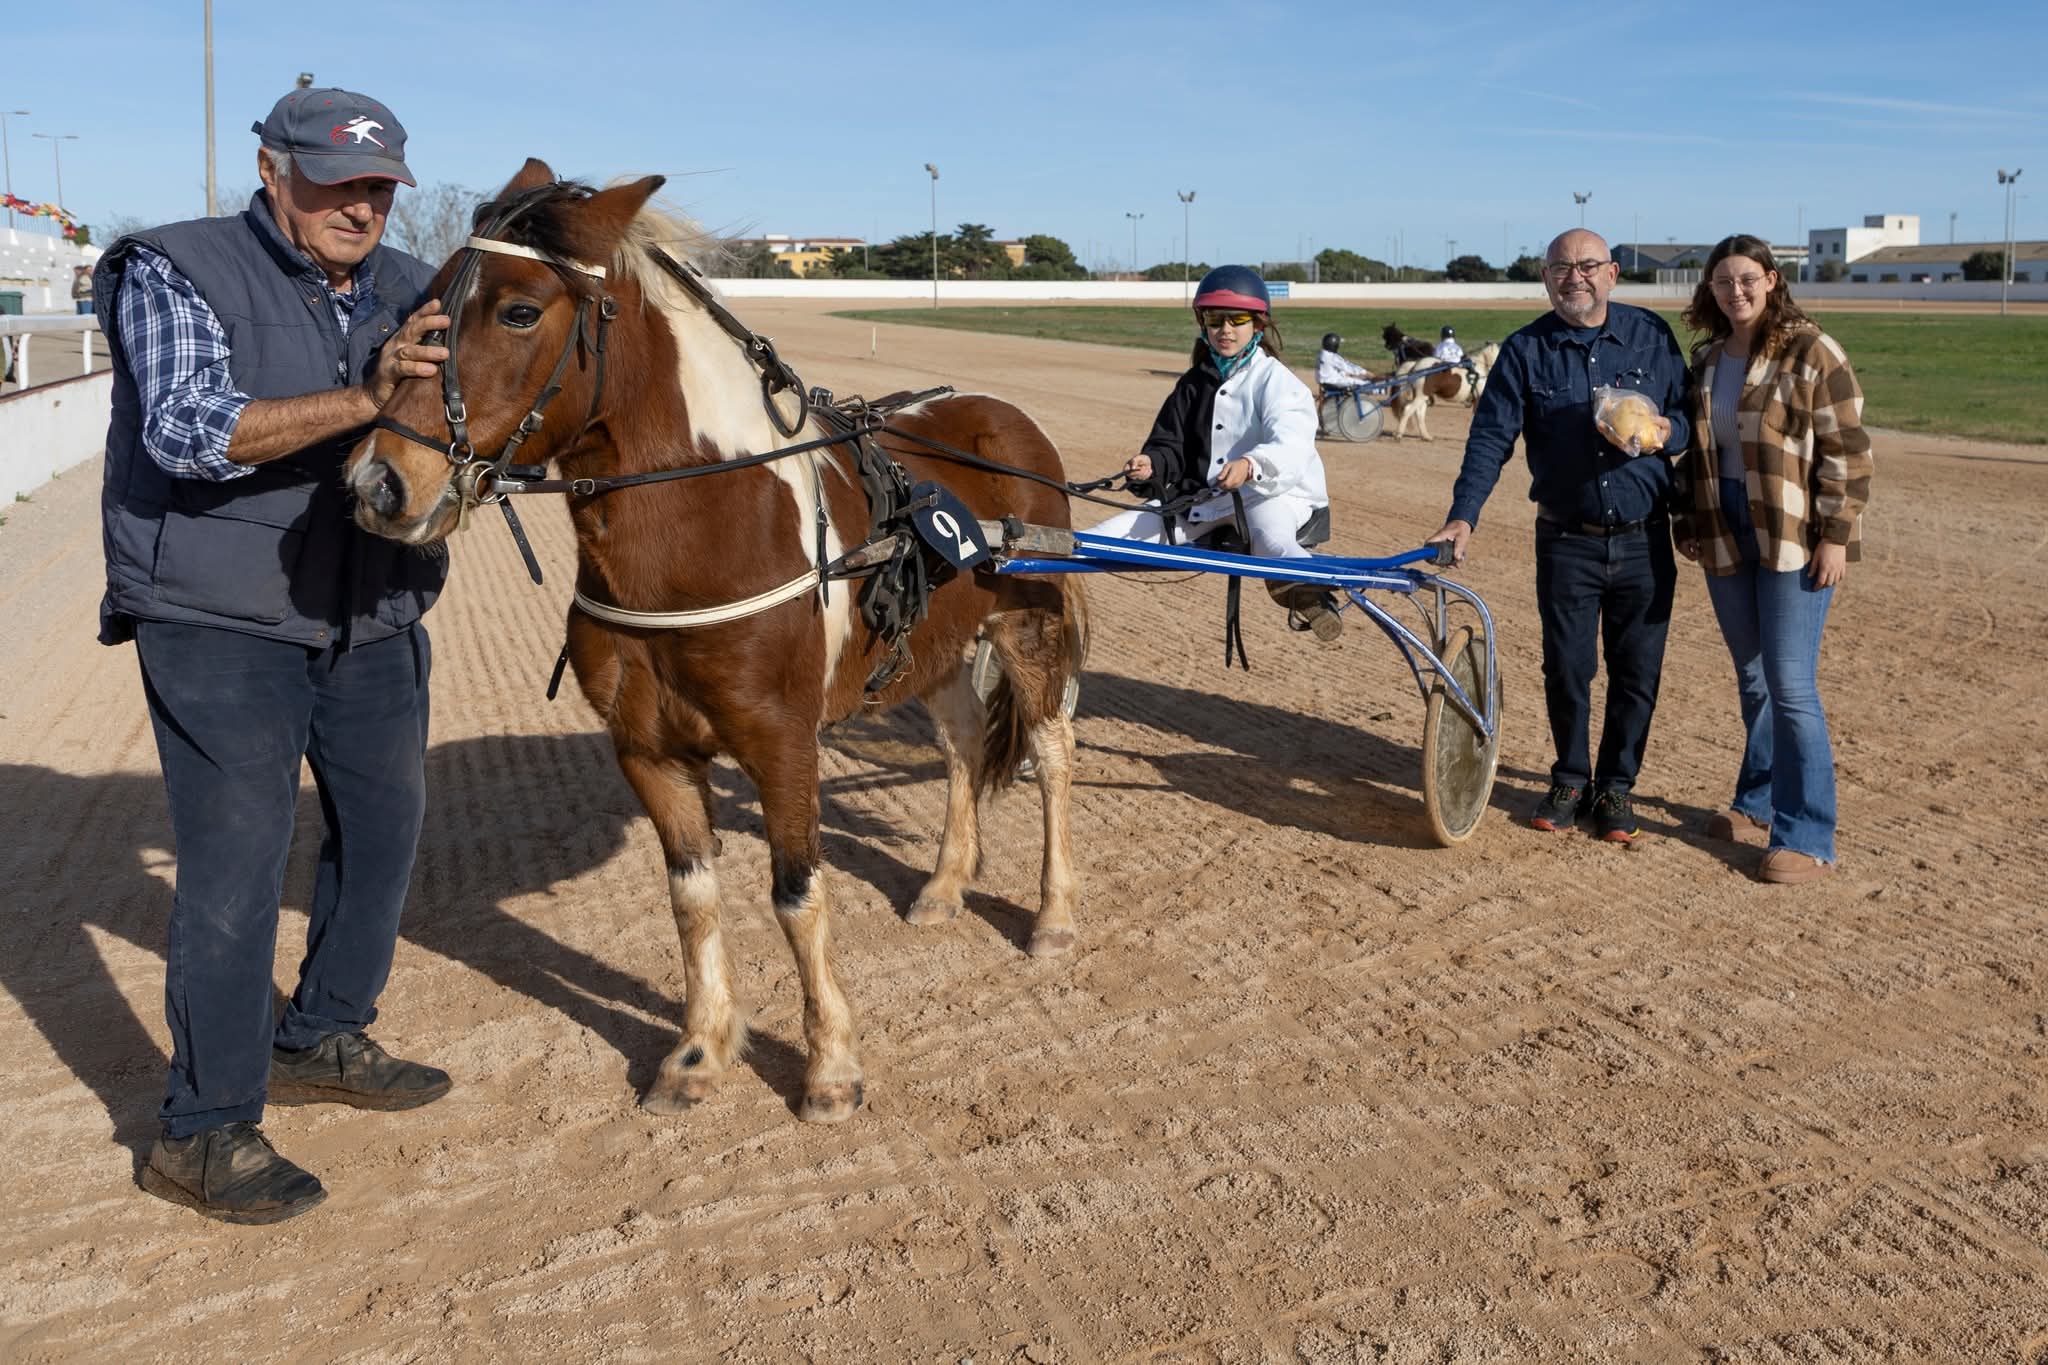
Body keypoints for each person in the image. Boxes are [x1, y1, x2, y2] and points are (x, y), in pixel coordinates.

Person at [95, 87, 456, 1224]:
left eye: (378, 190)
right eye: (335, 181)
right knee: (235, 875)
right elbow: (189, 431)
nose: (360, 208)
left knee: (387, 830)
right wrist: (369, 396)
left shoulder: (416, 288)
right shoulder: (177, 265)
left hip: (375, 611)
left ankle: (323, 1034)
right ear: (271, 169)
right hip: (218, 615)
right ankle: (201, 1132)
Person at [1427, 229, 1691, 842]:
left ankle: (1616, 788)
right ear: (1546, 277)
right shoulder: (1525, 351)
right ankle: (1571, 777)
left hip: (1644, 538)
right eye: (1562, 268)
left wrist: (1663, 434)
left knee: (1637, 672)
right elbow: (1491, 438)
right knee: (1568, 668)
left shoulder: (1651, 336)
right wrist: (1465, 513)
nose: (1576, 277)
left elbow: (1692, 420)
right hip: (1567, 539)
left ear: (1613, 273)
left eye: (1588, 266)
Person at [1673, 234, 1871, 884]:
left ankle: (1808, 834)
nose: (1736, 291)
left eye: (1747, 279)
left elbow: (1847, 447)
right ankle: (1754, 804)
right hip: (1724, 524)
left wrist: (1836, 535)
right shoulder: (1706, 360)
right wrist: (1690, 520)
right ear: (1710, 290)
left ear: (1771, 279)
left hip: (1793, 529)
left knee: (1790, 684)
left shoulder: (1812, 350)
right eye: (1723, 282)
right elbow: (1696, 452)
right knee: (1753, 677)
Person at [1093, 265, 1341, 642]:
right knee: (1103, 536)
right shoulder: (1193, 384)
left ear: (1258, 325)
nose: (1225, 329)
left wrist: (1250, 465)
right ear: (1203, 322)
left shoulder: (1277, 382)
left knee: (1271, 540)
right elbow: (1170, 446)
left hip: (1273, 494)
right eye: (1214, 319)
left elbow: (1292, 444)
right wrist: (1151, 465)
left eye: (1236, 319)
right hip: (1204, 500)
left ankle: (1311, 595)